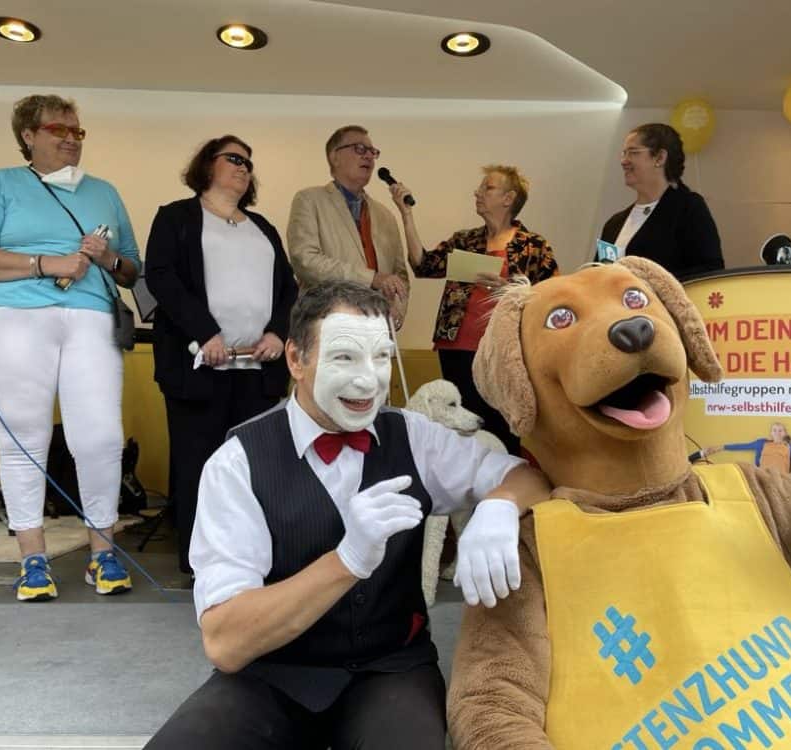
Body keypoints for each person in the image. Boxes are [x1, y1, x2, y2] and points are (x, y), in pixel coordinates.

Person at [144, 280, 551, 750]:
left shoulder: (415, 436)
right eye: (345, 357)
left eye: (381, 357)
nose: (369, 380)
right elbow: (226, 643)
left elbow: (532, 478)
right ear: (297, 360)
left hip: (390, 669)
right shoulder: (237, 463)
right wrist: (348, 561)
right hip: (273, 673)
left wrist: (499, 507)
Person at [0, 94, 141, 601]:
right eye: (58, 129)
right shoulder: (0, 183)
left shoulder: (104, 191)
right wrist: (45, 264)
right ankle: (32, 560)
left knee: (101, 437)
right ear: (28, 137)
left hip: (91, 318)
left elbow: (132, 270)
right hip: (14, 315)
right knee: (24, 437)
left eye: (78, 131)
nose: (70, 139)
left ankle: (102, 554)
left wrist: (106, 257)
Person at [145, 135, 298, 576]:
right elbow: (162, 277)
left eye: (249, 162)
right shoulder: (176, 217)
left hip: (258, 369)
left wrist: (276, 333)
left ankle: (254, 557)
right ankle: (202, 563)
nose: (244, 167)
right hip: (200, 366)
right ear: (206, 165)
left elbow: (287, 288)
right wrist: (205, 333)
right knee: (200, 464)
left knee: (257, 465)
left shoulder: (262, 226)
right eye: (234, 158)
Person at [388, 165, 558, 454]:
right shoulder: (466, 240)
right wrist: (407, 215)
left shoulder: (533, 246)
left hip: (502, 349)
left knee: (499, 422)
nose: (478, 193)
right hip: (456, 345)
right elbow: (423, 265)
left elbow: (551, 297)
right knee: (463, 422)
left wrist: (509, 289)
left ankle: (503, 483)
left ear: (508, 198)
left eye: (488, 188)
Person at [286, 125, 408, 327]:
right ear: (335, 157)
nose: (369, 156)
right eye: (360, 149)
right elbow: (305, 261)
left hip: (376, 329)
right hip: (325, 325)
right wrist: (372, 278)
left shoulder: (386, 215)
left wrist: (397, 314)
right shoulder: (309, 200)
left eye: (372, 151)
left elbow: (400, 276)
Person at [598, 122, 724, 280]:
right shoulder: (613, 224)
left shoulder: (687, 208)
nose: (624, 161)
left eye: (633, 152)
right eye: (624, 153)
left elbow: (709, 270)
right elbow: (597, 274)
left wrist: (648, 282)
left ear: (660, 157)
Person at [702, 421, 791, 472]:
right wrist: (721, 447)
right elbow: (742, 446)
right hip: (763, 478)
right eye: (774, 430)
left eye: (780, 430)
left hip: (782, 481)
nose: (777, 433)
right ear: (771, 433)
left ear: (785, 433)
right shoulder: (762, 443)